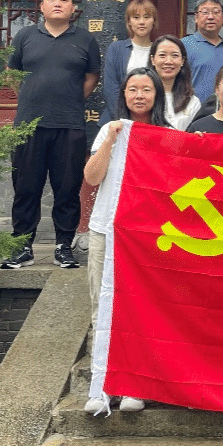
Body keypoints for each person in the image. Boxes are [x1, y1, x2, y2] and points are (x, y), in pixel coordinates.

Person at [82, 67, 169, 414]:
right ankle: (101, 387)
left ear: (157, 95)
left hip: (148, 238)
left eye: (146, 90)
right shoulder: (110, 129)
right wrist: (110, 141)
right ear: (123, 95)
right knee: (102, 307)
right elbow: (92, 177)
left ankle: (135, 386)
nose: (139, 96)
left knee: (142, 312)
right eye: (133, 89)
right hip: (106, 229)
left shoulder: (167, 135)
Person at [1, 0, 101, 270]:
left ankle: (63, 246)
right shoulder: (25, 36)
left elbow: (91, 77)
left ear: (73, 8)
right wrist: (31, 98)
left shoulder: (85, 39)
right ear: (42, 6)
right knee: (26, 187)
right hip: (29, 125)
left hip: (69, 124)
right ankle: (22, 246)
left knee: (67, 188)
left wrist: (68, 100)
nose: (58, 3)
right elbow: (12, 73)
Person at [100, 0, 157, 121]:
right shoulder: (117, 48)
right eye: (136, 17)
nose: (141, 22)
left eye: (147, 17)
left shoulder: (159, 51)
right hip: (117, 120)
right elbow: (111, 87)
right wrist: (123, 120)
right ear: (129, 22)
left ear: (153, 21)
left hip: (151, 121)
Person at [182, 0, 223, 102]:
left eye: (216, 12)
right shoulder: (183, 46)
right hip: (192, 109)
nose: (210, 17)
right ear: (196, 17)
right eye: (205, 12)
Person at [150, 35, 201, 131]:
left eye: (175, 56)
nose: (168, 61)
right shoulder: (143, 97)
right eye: (162, 55)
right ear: (152, 60)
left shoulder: (192, 102)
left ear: (182, 61)